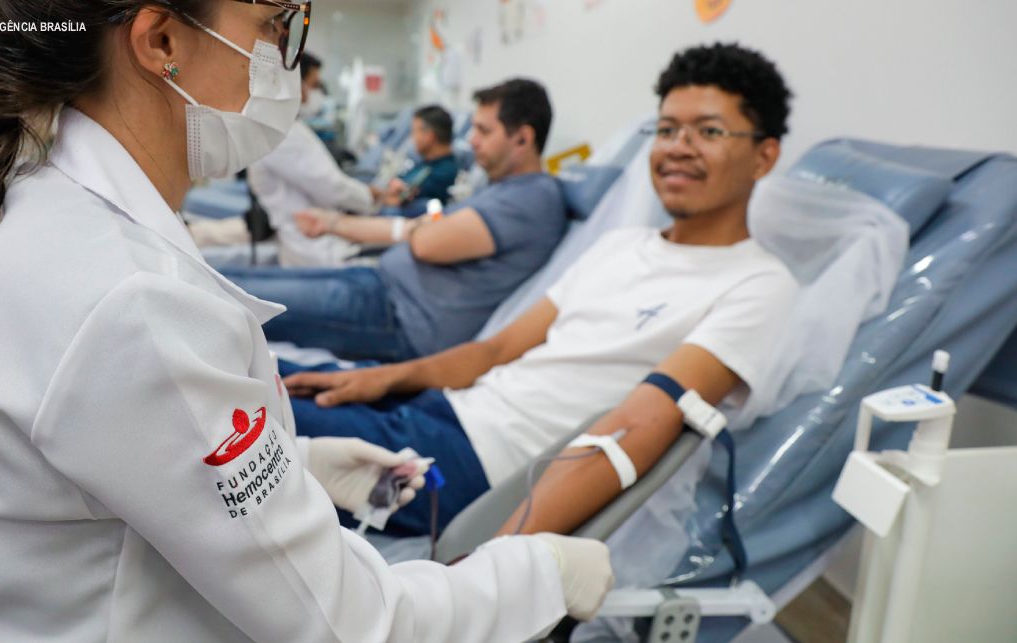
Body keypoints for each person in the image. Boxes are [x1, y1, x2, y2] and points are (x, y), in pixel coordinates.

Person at [0, 1, 613, 640]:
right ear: (161, 43)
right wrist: (539, 574)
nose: (280, 59)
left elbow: (131, 456)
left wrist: (297, 461)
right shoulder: (135, 303)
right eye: (272, 25)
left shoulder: (49, 210)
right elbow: (357, 624)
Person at [281, 43, 800, 539]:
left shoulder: (757, 284)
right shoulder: (620, 246)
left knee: (241, 421)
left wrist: (498, 565)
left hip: (476, 468)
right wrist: (383, 379)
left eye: (708, 131)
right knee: (261, 374)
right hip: (443, 408)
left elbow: (641, 423)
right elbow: (498, 350)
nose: (677, 148)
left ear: (764, 155)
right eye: (666, 129)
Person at [222, 78, 568, 362]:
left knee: (238, 302)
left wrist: (421, 229)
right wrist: (332, 223)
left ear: (523, 137)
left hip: (400, 315)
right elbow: (415, 231)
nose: (471, 140)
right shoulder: (502, 190)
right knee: (234, 283)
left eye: (483, 130)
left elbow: (427, 242)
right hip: (380, 283)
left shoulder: (533, 198)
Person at [247, 51, 380, 267]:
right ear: (294, 84)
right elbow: (331, 186)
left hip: (318, 237)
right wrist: (370, 197)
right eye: (313, 85)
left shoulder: (290, 127)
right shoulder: (282, 134)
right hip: (315, 248)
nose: (315, 93)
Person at [373, 105, 460, 213]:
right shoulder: (425, 164)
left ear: (429, 136)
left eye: (414, 131)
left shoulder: (445, 172)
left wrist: (376, 197)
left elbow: (401, 199)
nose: (412, 137)